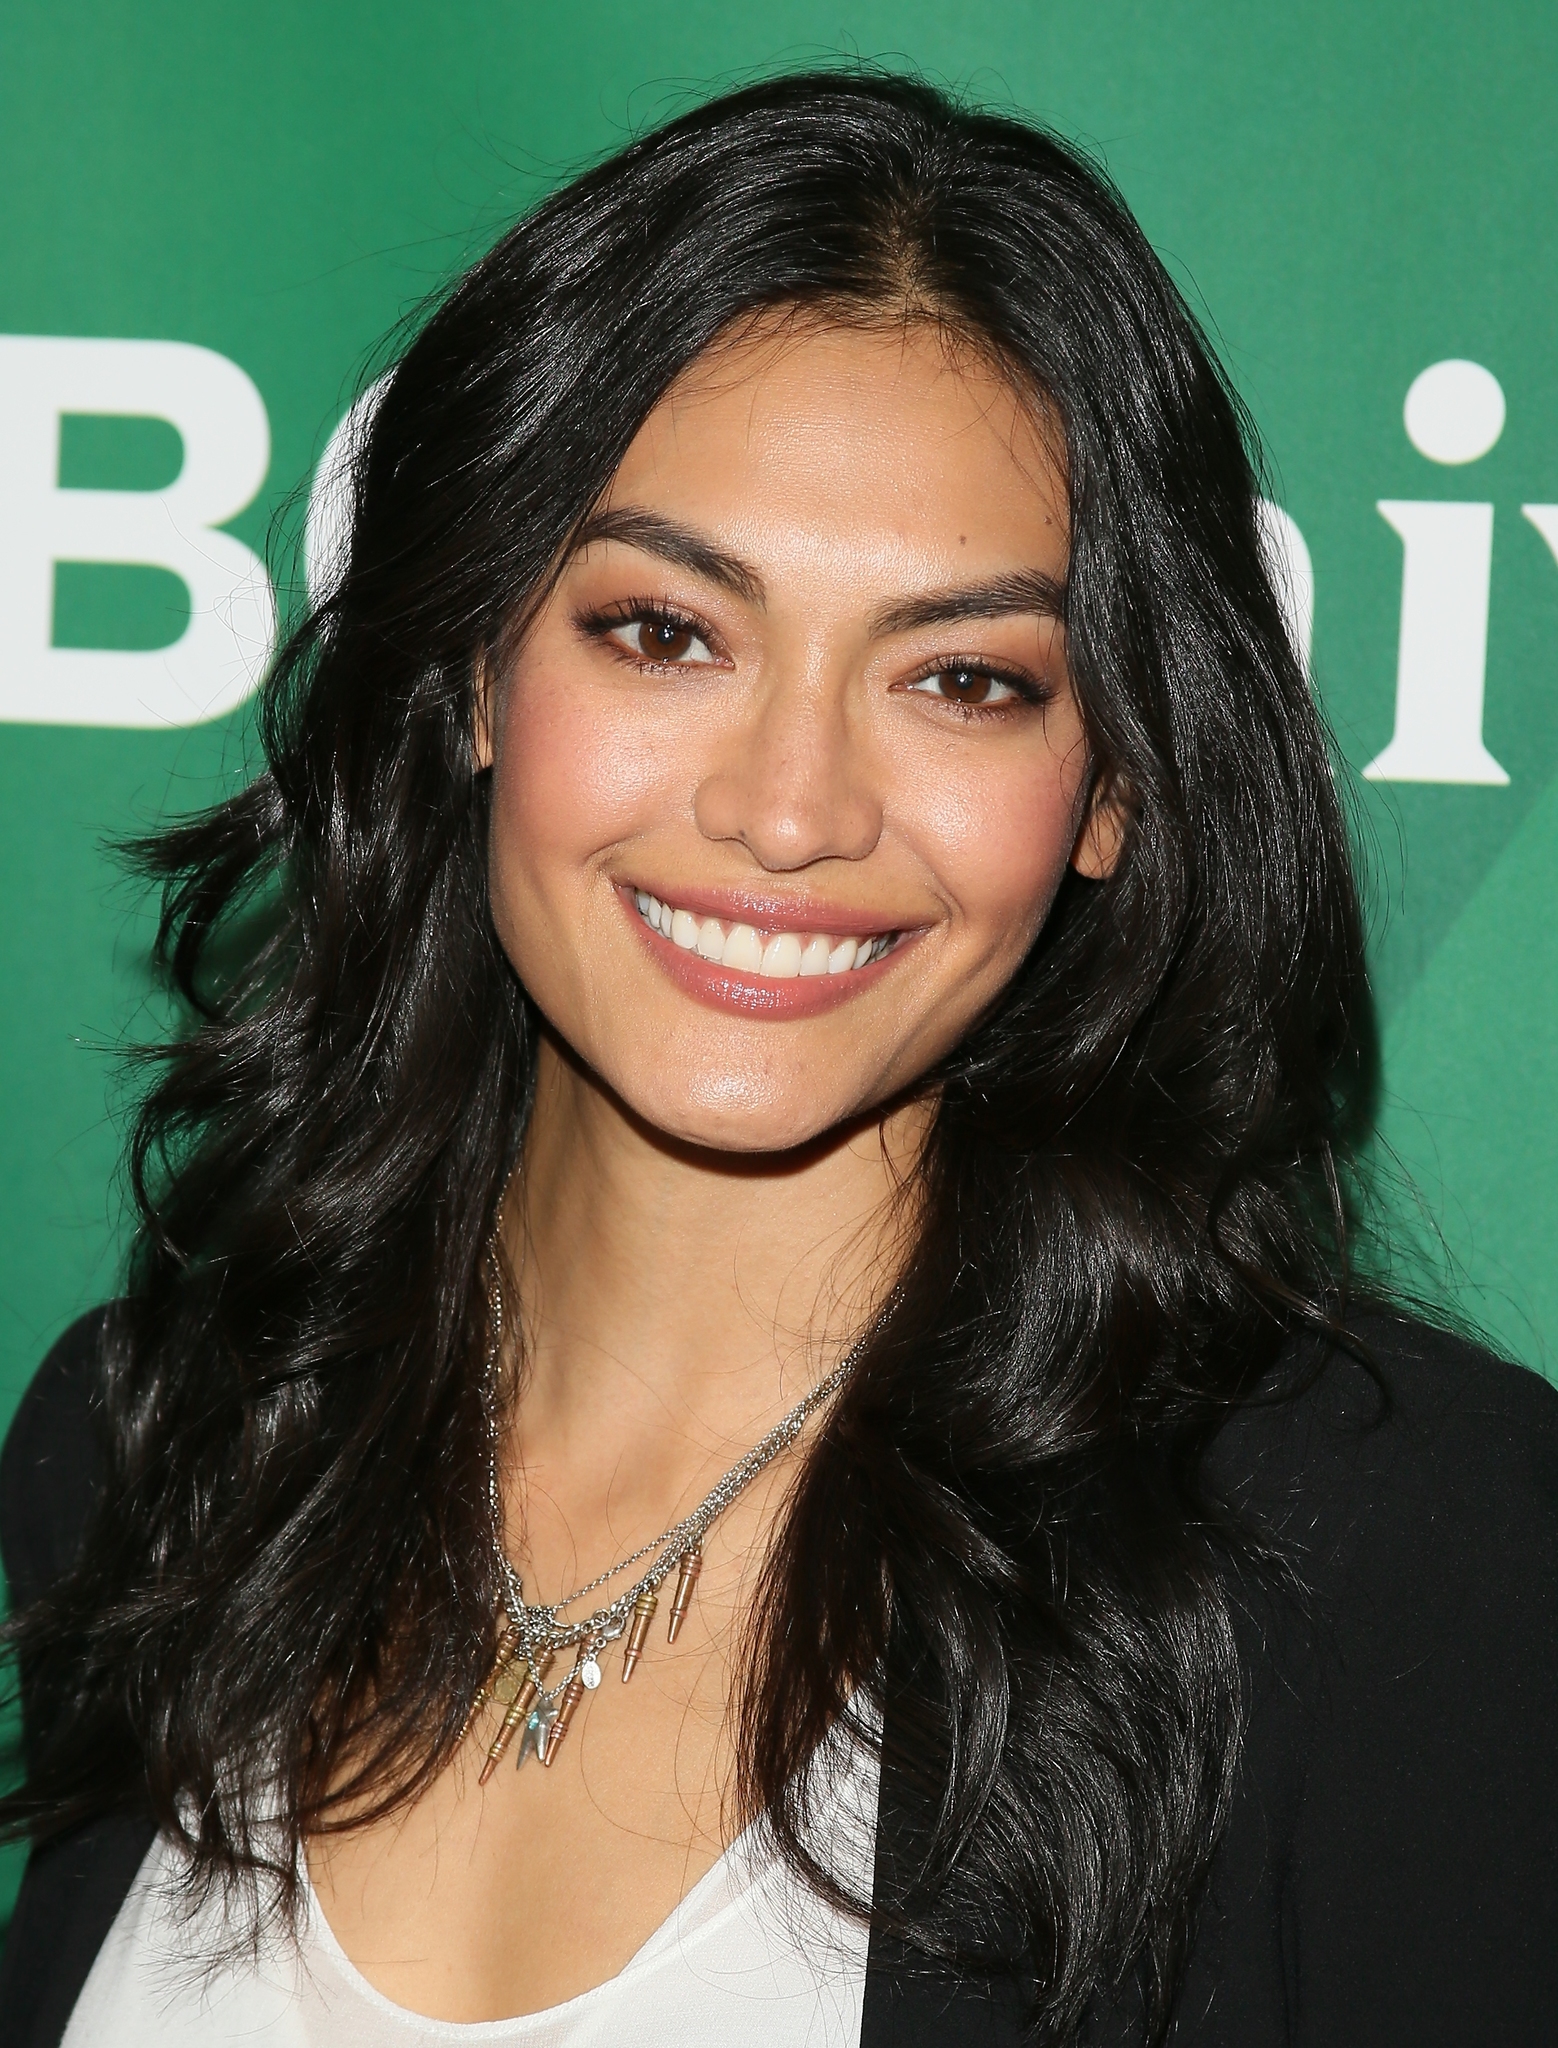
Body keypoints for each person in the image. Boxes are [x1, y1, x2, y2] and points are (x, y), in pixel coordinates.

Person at [2, 69, 1555, 2048]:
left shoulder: (1400, 1562)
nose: (789, 807)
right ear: (474, 669)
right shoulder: (164, 1438)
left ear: (1113, 790)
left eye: (961, 679)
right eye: (666, 632)